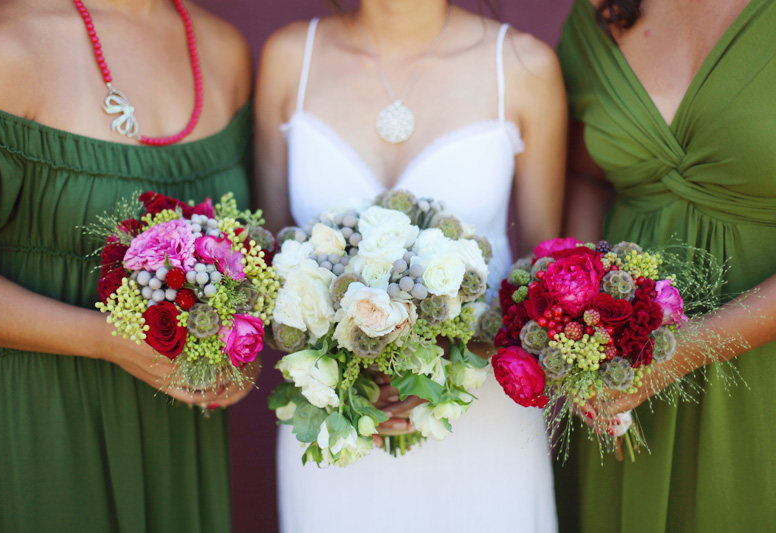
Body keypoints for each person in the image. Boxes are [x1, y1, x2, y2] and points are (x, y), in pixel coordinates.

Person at [255, 0, 566, 530]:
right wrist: (351, 374)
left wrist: (438, 365)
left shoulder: (520, 63)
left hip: (480, 421)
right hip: (339, 428)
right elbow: (272, 265)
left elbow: (542, 284)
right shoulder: (291, 57)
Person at [0, 0, 254, 530]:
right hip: (44, 424)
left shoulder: (223, 49)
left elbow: (246, 253)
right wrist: (104, 338)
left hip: (179, 429)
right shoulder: (0, 49)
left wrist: (243, 343)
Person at [555, 0, 776, 530]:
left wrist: (677, 353)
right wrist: (581, 304)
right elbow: (588, 173)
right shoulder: (599, 16)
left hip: (757, 366)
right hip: (619, 371)